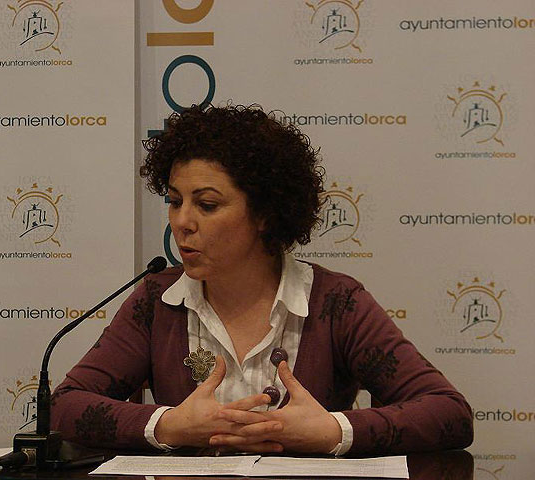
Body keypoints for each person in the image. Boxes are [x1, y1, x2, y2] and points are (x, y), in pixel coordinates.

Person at [50, 104, 473, 455]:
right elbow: (65, 406)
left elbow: (449, 414)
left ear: (266, 214)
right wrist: (169, 425)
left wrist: (333, 431)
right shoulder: (157, 300)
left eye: (207, 205)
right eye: (175, 202)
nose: (181, 222)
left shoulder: (336, 302)